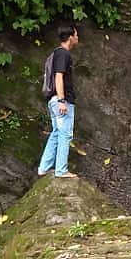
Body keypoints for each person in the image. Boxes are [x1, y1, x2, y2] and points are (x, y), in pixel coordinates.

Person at [38, 25, 80, 179]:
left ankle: (43, 167)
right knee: (65, 134)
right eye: (76, 35)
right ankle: (61, 170)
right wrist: (62, 100)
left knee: (56, 133)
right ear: (70, 37)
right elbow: (58, 76)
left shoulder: (56, 53)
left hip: (53, 99)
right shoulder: (63, 54)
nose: (77, 38)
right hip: (61, 100)